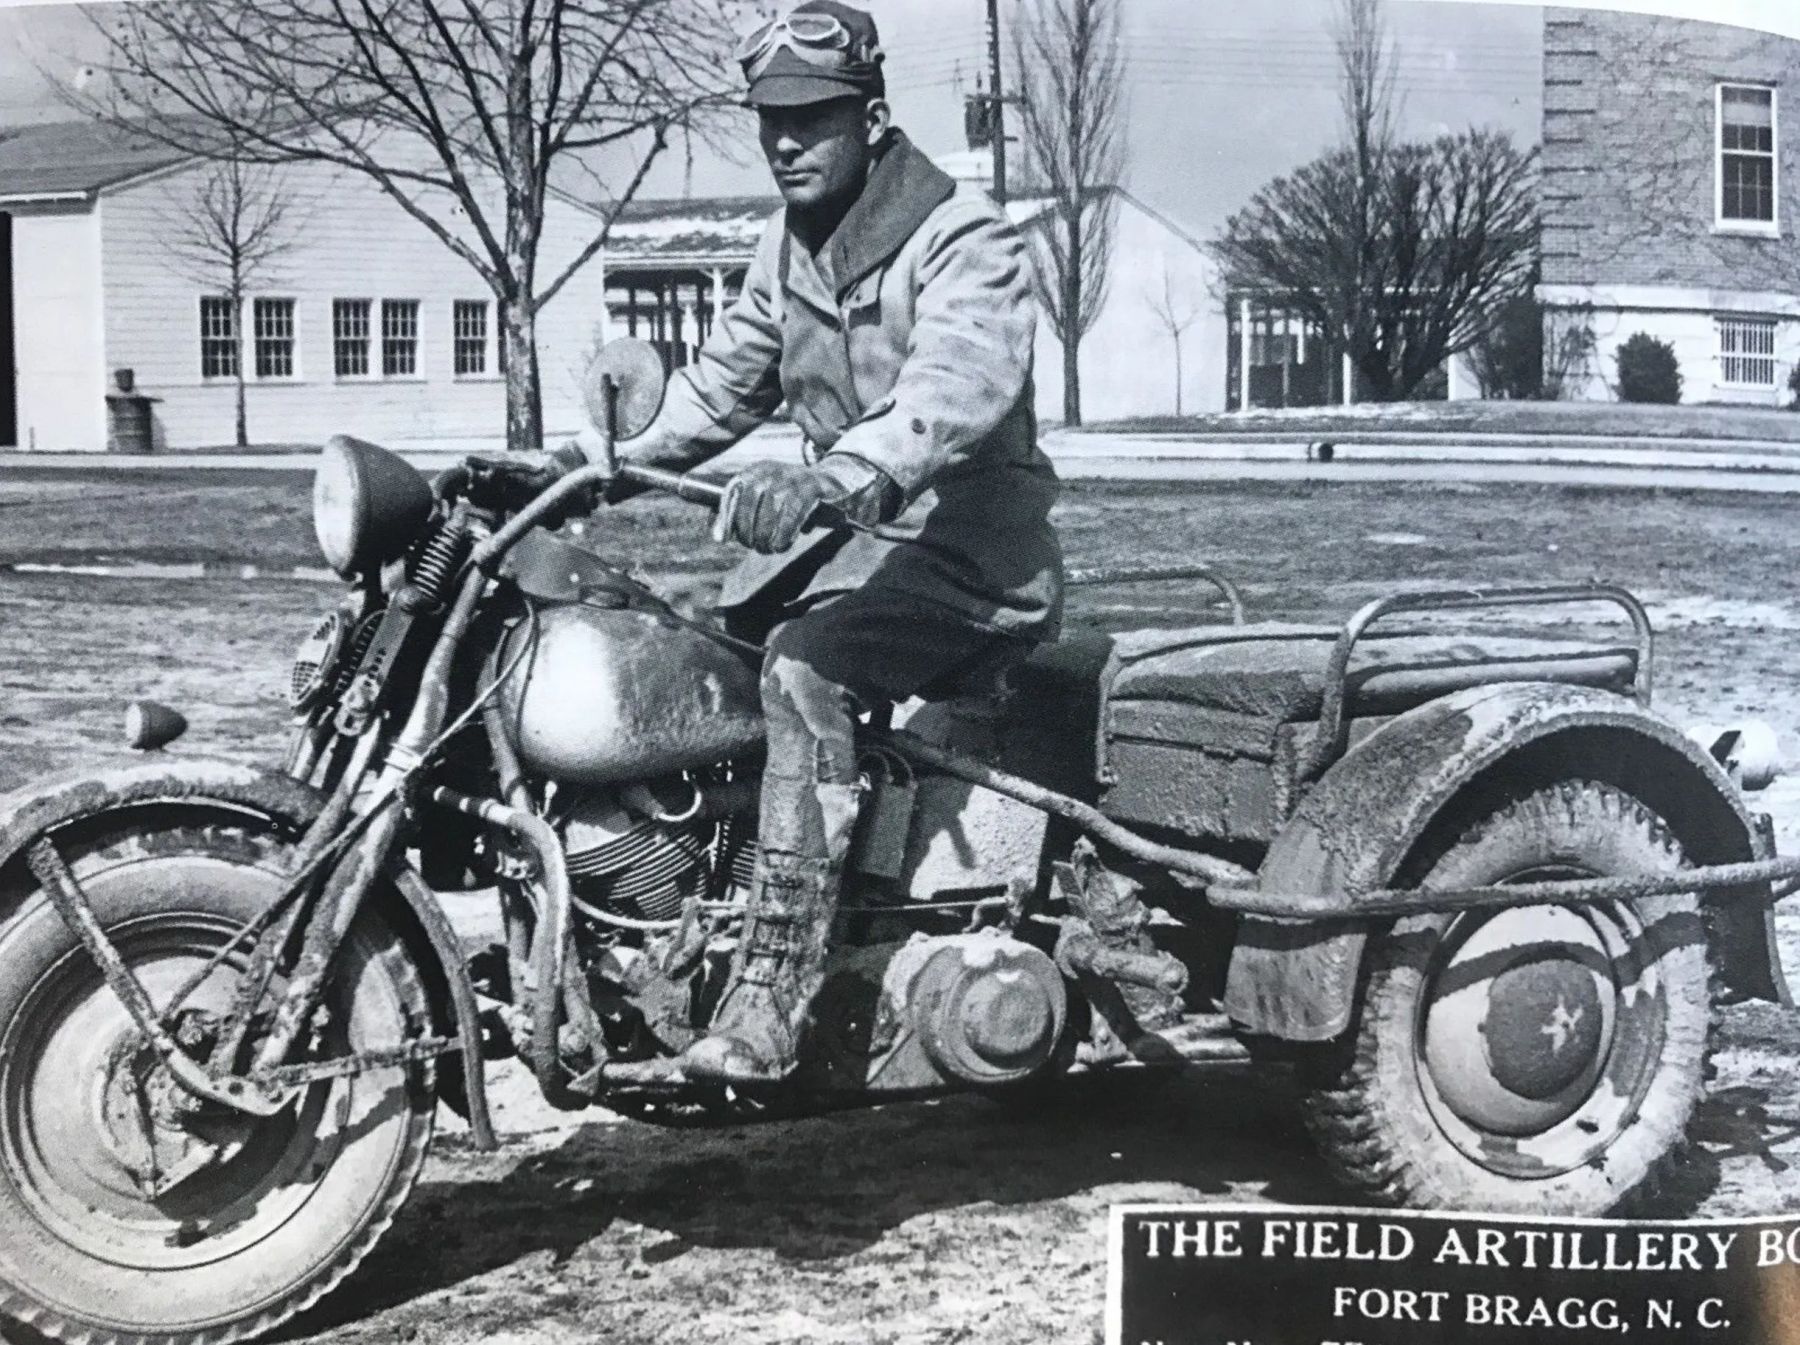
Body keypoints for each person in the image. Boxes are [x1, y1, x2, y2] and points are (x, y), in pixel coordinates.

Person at [584, 0, 1062, 1083]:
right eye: (770, 121)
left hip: (971, 558)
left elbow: (951, 394)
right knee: (685, 663)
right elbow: (718, 383)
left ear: (873, 116)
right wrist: (595, 461)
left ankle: (771, 996)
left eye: (814, 117)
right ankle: (681, 928)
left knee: (805, 673)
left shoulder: (963, 236)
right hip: (847, 557)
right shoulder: (788, 245)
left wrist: (829, 477)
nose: (787, 142)